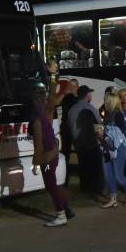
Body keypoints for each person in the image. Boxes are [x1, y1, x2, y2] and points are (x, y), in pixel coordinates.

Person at [29, 84, 74, 227]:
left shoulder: (37, 119)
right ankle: (66, 209)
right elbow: (54, 99)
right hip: (51, 155)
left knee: (51, 185)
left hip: (47, 158)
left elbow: (39, 145)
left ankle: (61, 214)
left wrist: (36, 162)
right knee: (53, 184)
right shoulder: (46, 113)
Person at [67, 85, 104, 197]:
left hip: (79, 144)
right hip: (91, 143)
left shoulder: (71, 110)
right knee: (96, 168)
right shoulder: (91, 109)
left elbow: (70, 127)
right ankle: (96, 190)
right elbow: (99, 126)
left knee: (83, 166)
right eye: (90, 93)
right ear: (87, 95)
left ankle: (84, 188)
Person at [99, 92, 126, 207]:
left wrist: (108, 132)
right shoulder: (107, 114)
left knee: (119, 176)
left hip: (118, 148)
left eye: (105, 99)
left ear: (110, 101)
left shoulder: (118, 114)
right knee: (108, 175)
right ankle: (113, 198)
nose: (104, 101)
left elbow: (122, 131)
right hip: (107, 147)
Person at [60, 79, 79, 162]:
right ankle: (65, 172)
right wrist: (64, 93)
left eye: (72, 86)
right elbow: (56, 102)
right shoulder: (66, 97)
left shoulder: (79, 98)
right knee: (65, 151)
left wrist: (75, 93)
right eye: (69, 86)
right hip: (66, 128)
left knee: (80, 151)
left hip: (76, 127)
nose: (70, 88)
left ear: (77, 87)